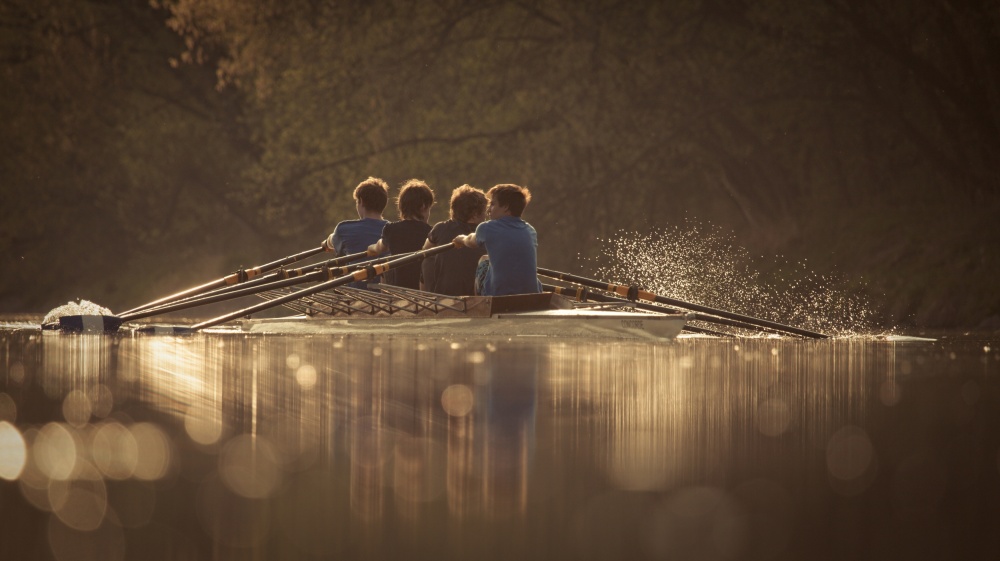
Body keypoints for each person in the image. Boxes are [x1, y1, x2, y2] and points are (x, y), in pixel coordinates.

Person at [453, 184, 542, 296]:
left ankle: (481, 305)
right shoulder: (530, 230)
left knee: (483, 261)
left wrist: (461, 239)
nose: (488, 210)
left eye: (492, 204)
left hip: (498, 295)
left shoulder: (487, 228)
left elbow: (470, 241)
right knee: (487, 258)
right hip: (532, 293)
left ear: (505, 207)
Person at [321, 177, 389, 289]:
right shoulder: (393, 230)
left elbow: (331, 242)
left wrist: (326, 243)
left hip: (357, 294)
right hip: (387, 294)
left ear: (361, 201)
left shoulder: (343, 229)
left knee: (341, 261)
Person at [367, 179, 435, 289]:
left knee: (385, 263)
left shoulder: (391, 229)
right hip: (422, 291)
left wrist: (371, 248)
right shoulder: (431, 233)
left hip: (399, 290)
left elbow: (379, 248)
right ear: (423, 207)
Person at [420, 185, 488, 295]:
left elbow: (425, 250)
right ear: (475, 215)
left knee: (427, 259)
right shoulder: (485, 234)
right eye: (485, 211)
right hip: (474, 298)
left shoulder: (441, 228)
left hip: (445, 296)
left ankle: (426, 299)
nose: (486, 215)